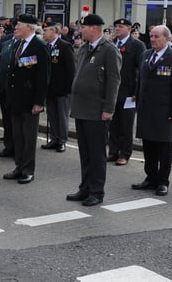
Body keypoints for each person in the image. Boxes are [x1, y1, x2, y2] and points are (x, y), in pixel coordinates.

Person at [66, 14, 121, 206]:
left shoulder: (109, 50)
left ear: (94, 28)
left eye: (84, 27)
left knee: (97, 154)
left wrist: (109, 109)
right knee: (85, 152)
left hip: (97, 110)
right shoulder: (83, 49)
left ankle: (97, 191)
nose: (81, 31)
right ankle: (85, 188)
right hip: (81, 108)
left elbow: (114, 81)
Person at [133, 25, 172, 196]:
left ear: (166, 38)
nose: (153, 39)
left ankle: (163, 181)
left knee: (163, 148)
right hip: (146, 110)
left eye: (157, 36)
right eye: (151, 36)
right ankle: (150, 177)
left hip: (165, 112)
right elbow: (141, 81)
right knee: (148, 146)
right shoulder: (145, 55)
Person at [3, 14, 49, 184]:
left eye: (19, 26)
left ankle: (28, 169)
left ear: (29, 27)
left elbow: (43, 77)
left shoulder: (39, 46)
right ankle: (19, 166)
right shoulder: (19, 44)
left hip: (30, 101)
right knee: (18, 136)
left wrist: (39, 102)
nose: (15, 28)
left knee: (29, 138)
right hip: (16, 99)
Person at [108, 18, 145, 165]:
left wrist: (137, 91)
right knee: (113, 123)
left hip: (129, 92)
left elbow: (141, 70)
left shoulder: (137, 45)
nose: (117, 29)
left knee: (126, 124)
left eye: (121, 26)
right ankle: (113, 151)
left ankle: (124, 153)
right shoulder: (111, 44)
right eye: (116, 26)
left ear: (129, 29)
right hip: (113, 91)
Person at [42, 21, 75, 153]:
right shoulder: (46, 46)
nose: (44, 33)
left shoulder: (64, 46)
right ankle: (54, 138)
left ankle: (62, 140)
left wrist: (68, 88)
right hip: (49, 89)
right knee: (51, 115)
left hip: (62, 89)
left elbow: (70, 69)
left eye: (46, 30)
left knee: (61, 116)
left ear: (55, 31)